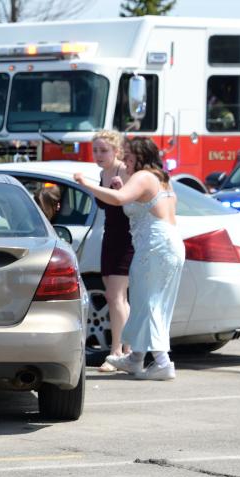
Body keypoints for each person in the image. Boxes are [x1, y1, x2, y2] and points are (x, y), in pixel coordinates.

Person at [75, 137, 185, 381]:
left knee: (148, 303)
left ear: (141, 158)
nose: (125, 162)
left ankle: (162, 362)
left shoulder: (144, 176)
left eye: (128, 158)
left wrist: (86, 184)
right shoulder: (161, 179)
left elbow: (118, 200)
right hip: (168, 244)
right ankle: (135, 358)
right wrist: (118, 186)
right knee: (147, 301)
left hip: (154, 246)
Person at [86, 131, 134, 370]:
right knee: (117, 297)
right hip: (110, 237)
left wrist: (120, 188)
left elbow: (133, 201)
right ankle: (127, 350)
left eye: (103, 150)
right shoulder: (103, 173)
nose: (98, 155)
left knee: (115, 297)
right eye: (95, 150)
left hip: (126, 238)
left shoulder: (122, 171)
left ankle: (117, 351)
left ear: (116, 151)